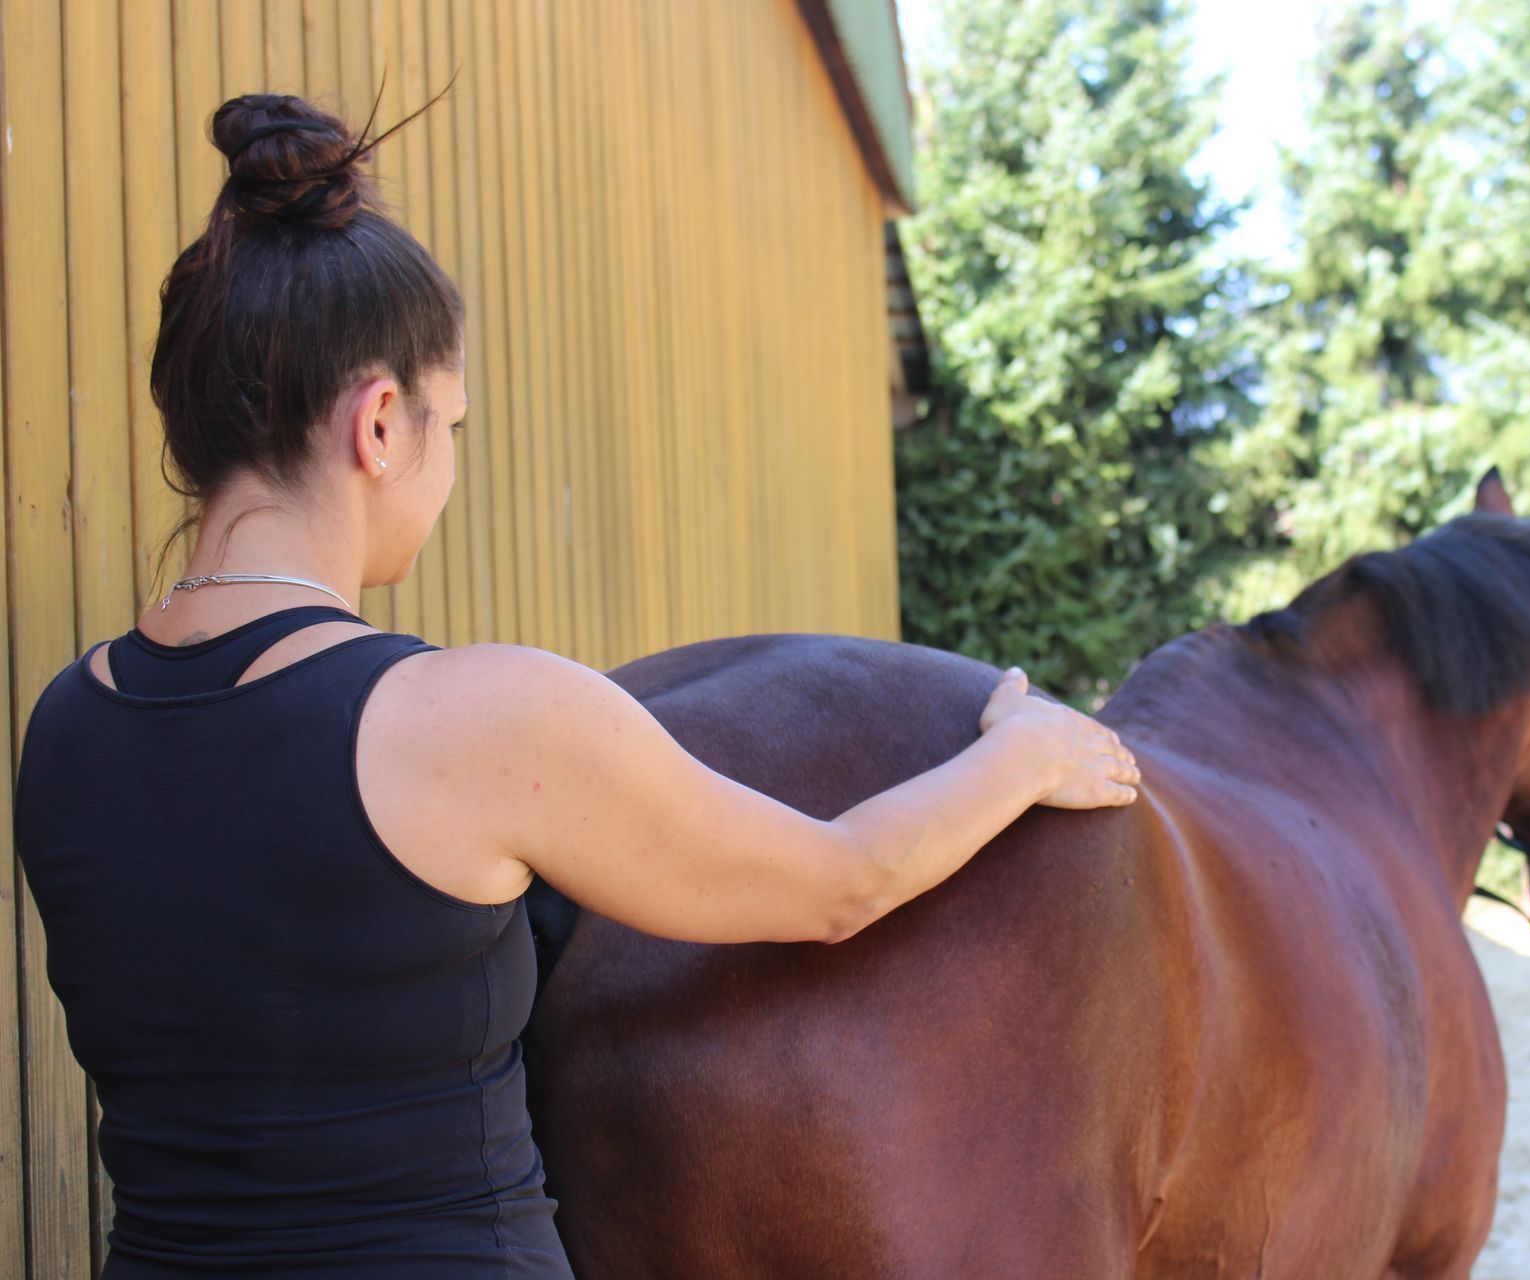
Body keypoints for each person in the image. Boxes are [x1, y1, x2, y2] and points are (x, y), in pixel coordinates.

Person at [11, 91, 1139, 1278]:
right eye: (450, 422)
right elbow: (839, 880)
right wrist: (1020, 758)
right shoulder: (475, 720)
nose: (445, 463)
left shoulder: (64, 728)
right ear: (380, 424)